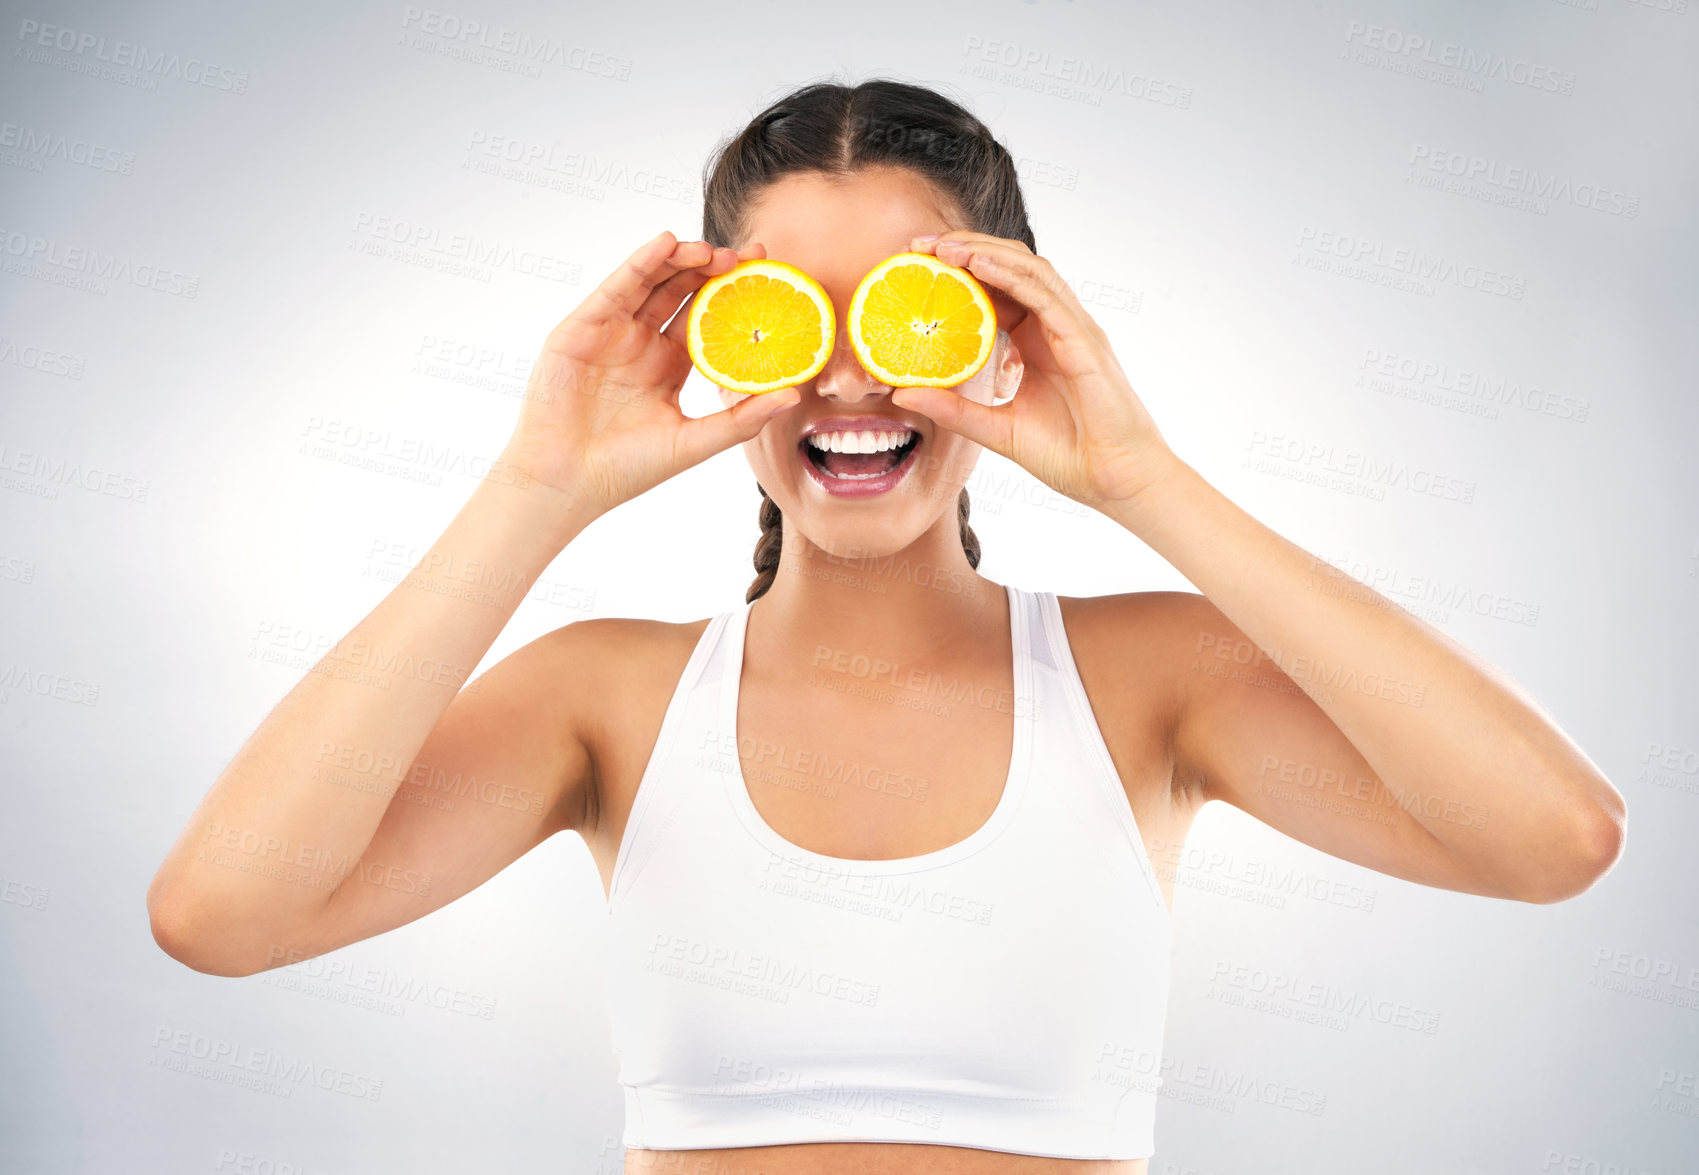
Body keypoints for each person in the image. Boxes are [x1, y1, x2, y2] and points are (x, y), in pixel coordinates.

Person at [146, 78, 1627, 1174]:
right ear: (712, 345)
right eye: (795, 318)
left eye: (911, 316)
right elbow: (222, 918)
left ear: (1014, 332)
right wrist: (537, 488)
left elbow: (1551, 838)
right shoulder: (607, 701)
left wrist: (1144, 480)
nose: (853, 383)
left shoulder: (1148, 683)